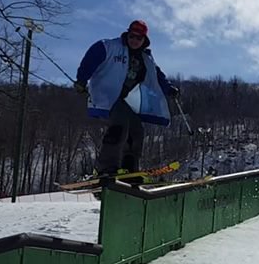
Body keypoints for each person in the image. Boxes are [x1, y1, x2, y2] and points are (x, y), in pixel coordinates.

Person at [74, 19, 180, 178]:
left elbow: (157, 76)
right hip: (109, 96)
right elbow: (91, 58)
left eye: (139, 38)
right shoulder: (110, 46)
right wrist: (82, 80)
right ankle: (106, 167)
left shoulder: (146, 59)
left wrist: (169, 89)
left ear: (144, 40)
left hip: (130, 100)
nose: (134, 40)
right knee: (120, 124)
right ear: (127, 35)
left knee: (136, 130)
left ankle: (129, 167)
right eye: (132, 36)